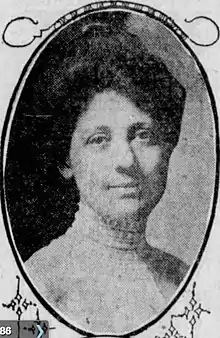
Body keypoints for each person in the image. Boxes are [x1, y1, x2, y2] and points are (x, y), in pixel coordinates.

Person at [25, 25, 189, 334]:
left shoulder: (182, 277)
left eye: (143, 135)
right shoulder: (41, 283)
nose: (126, 160)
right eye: (99, 139)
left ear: (168, 147)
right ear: (65, 160)